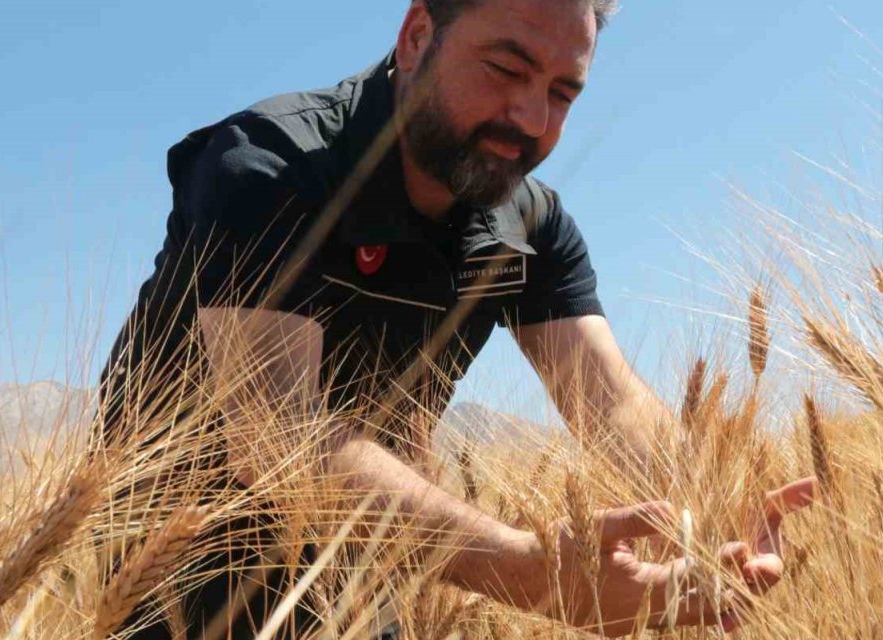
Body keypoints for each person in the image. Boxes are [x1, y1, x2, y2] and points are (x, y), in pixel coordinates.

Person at [96, 0, 818, 637]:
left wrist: (717, 510)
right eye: (507, 68)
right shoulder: (270, 165)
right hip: (175, 573)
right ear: (416, 37)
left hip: (351, 565)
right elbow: (277, 433)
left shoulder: (533, 230)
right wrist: (529, 573)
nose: (532, 119)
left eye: (563, 92)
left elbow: (612, 403)